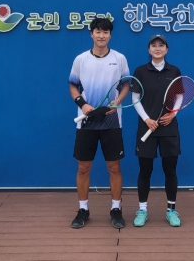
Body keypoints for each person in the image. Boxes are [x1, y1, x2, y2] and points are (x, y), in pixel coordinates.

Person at [68, 17, 128, 229]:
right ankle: (83, 210)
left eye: (105, 32)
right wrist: (82, 104)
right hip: (86, 122)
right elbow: (73, 86)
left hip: (112, 120)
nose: (101, 36)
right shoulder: (81, 59)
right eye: (98, 32)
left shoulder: (119, 58)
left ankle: (116, 209)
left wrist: (118, 102)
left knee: (114, 167)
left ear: (110, 35)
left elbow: (126, 85)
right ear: (91, 34)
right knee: (83, 168)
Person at [132, 34, 183, 227]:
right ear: (149, 49)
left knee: (170, 170)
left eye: (161, 45)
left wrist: (173, 114)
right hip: (147, 129)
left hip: (169, 129)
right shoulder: (140, 71)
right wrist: (147, 119)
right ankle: (142, 210)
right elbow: (135, 98)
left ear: (167, 49)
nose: (157, 48)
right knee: (145, 171)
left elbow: (179, 96)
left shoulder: (174, 71)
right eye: (153, 45)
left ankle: (171, 210)